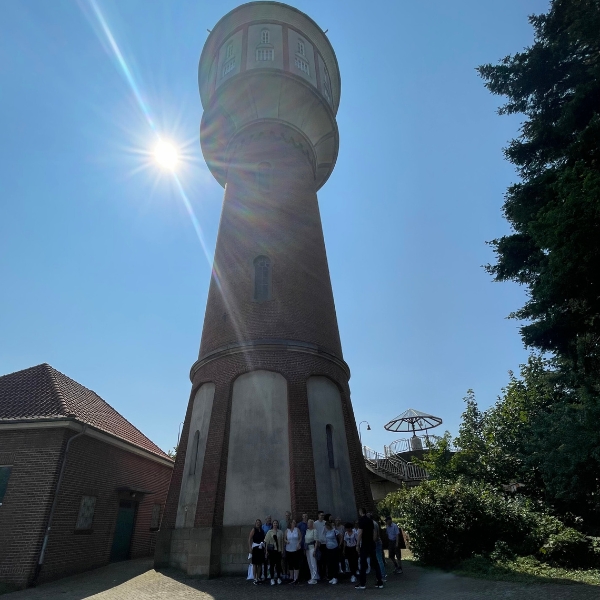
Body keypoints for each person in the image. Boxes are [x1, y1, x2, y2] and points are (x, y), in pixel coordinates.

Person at [356, 507, 383, 590]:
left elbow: (360, 533)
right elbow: (374, 532)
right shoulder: (370, 521)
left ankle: (362, 583)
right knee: (375, 563)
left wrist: (357, 544)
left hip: (365, 544)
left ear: (361, 512)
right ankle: (380, 582)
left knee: (363, 563)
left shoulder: (361, 521)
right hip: (371, 543)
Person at [265, 519, 284, 585]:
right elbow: (266, 542)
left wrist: (282, 550)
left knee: (278, 565)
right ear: (272, 524)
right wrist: (266, 551)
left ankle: (278, 577)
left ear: (277, 524)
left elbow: (282, 542)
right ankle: (272, 578)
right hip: (272, 551)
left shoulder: (280, 532)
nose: (275, 524)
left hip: (278, 550)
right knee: (272, 565)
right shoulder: (269, 532)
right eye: (274, 523)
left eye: (276, 523)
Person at [248, 519, 266, 585]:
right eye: (257, 522)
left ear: (260, 524)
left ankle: (258, 577)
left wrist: (264, 548)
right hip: (255, 548)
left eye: (259, 522)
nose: (258, 524)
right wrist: (250, 547)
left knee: (260, 564)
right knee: (255, 564)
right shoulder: (254, 530)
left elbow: (264, 539)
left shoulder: (262, 530)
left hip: (261, 548)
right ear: (255, 523)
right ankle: (255, 578)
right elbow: (249, 538)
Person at [285, 519, 302, 585]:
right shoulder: (287, 530)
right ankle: (291, 577)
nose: (294, 523)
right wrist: (286, 541)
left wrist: (298, 543)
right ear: (290, 523)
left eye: (295, 522)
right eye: (293, 522)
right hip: (289, 549)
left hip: (296, 549)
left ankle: (296, 578)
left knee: (296, 563)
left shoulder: (297, 530)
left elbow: (300, 537)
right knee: (290, 563)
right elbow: (284, 538)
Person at [370, 513, 386, 580]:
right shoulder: (375, 523)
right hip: (377, 542)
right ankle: (382, 574)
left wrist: (372, 542)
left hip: (376, 543)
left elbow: (375, 536)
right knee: (378, 559)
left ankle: (383, 575)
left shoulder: (373, 524)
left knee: (379, 559)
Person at [304, 519, 319, 584]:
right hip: (307, 548)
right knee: (309, 563)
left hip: (312, 548)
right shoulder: (307, 531)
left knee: (313, 563)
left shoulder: (314, 531)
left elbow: (316, 541)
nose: (308, 524)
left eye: (309, 523)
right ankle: (312, 576)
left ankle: (314, 577)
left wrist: (315, 550)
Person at [314, 510, 327, 579]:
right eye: (321, 515)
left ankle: (324, 573)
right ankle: (320, 573)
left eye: (323, 515)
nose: (322, 516)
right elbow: (315, 533)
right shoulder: (315, 523)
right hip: (319, 543)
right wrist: (317, 541)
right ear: (318, 515)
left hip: (325, 542)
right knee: (319, 559)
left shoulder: (325, 523)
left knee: (325, 559)